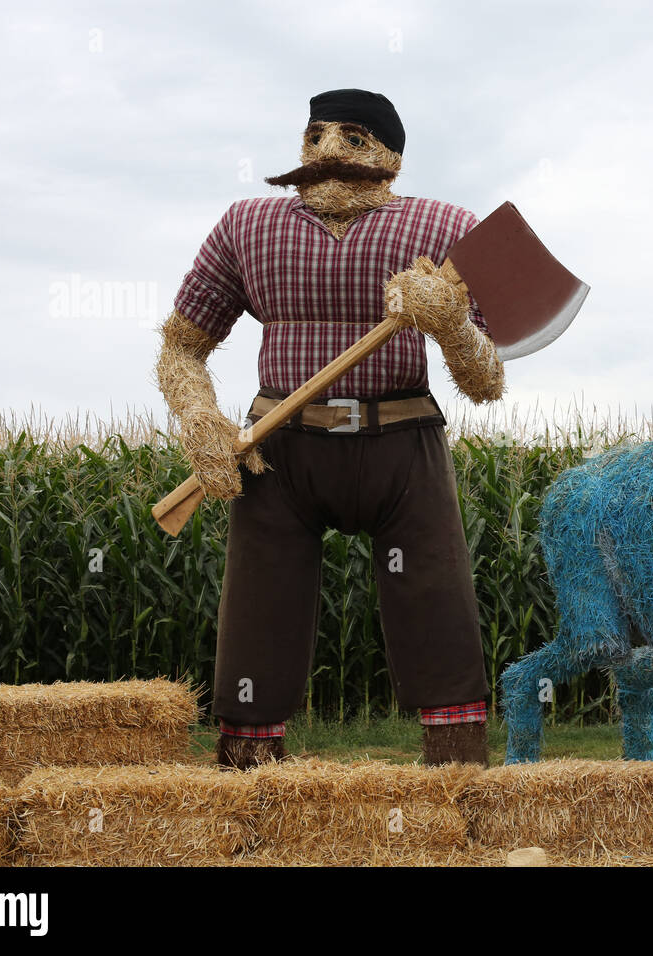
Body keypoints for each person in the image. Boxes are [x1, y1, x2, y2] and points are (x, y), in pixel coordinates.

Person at [153, 89, 504, 769]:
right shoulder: (245, 227)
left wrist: (453, 325)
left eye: (352, 136)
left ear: (391, 157)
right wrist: (200, 417)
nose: (326, 151)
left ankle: (458, 780)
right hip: (278, 451)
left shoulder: (447, 232)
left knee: (437, 600)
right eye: (314, 135)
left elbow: (487, 380)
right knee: (260, 606)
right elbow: (181, 347)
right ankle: (248, 781)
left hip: (403, 443)